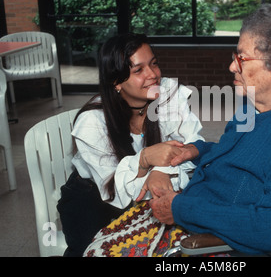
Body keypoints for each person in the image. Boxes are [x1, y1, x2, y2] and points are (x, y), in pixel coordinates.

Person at [150, 3, 271, 255]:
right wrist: (197, 150)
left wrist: (179, 209)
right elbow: (237, 155)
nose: (232, 66)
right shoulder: (253, 105)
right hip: (200, 212)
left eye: (241, 58)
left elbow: (269, 228)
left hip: (221, 245)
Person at [57, 33, 203, 257]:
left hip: (153, 194)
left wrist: (161, 168)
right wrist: (145, 158)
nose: (153, 75)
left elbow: (194, 147)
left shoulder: (169, 96)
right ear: (116, 82)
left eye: (154, 64)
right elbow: (116, 188)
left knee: (183, 244)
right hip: (96, 197)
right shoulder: (92, 122)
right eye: (138, 70)